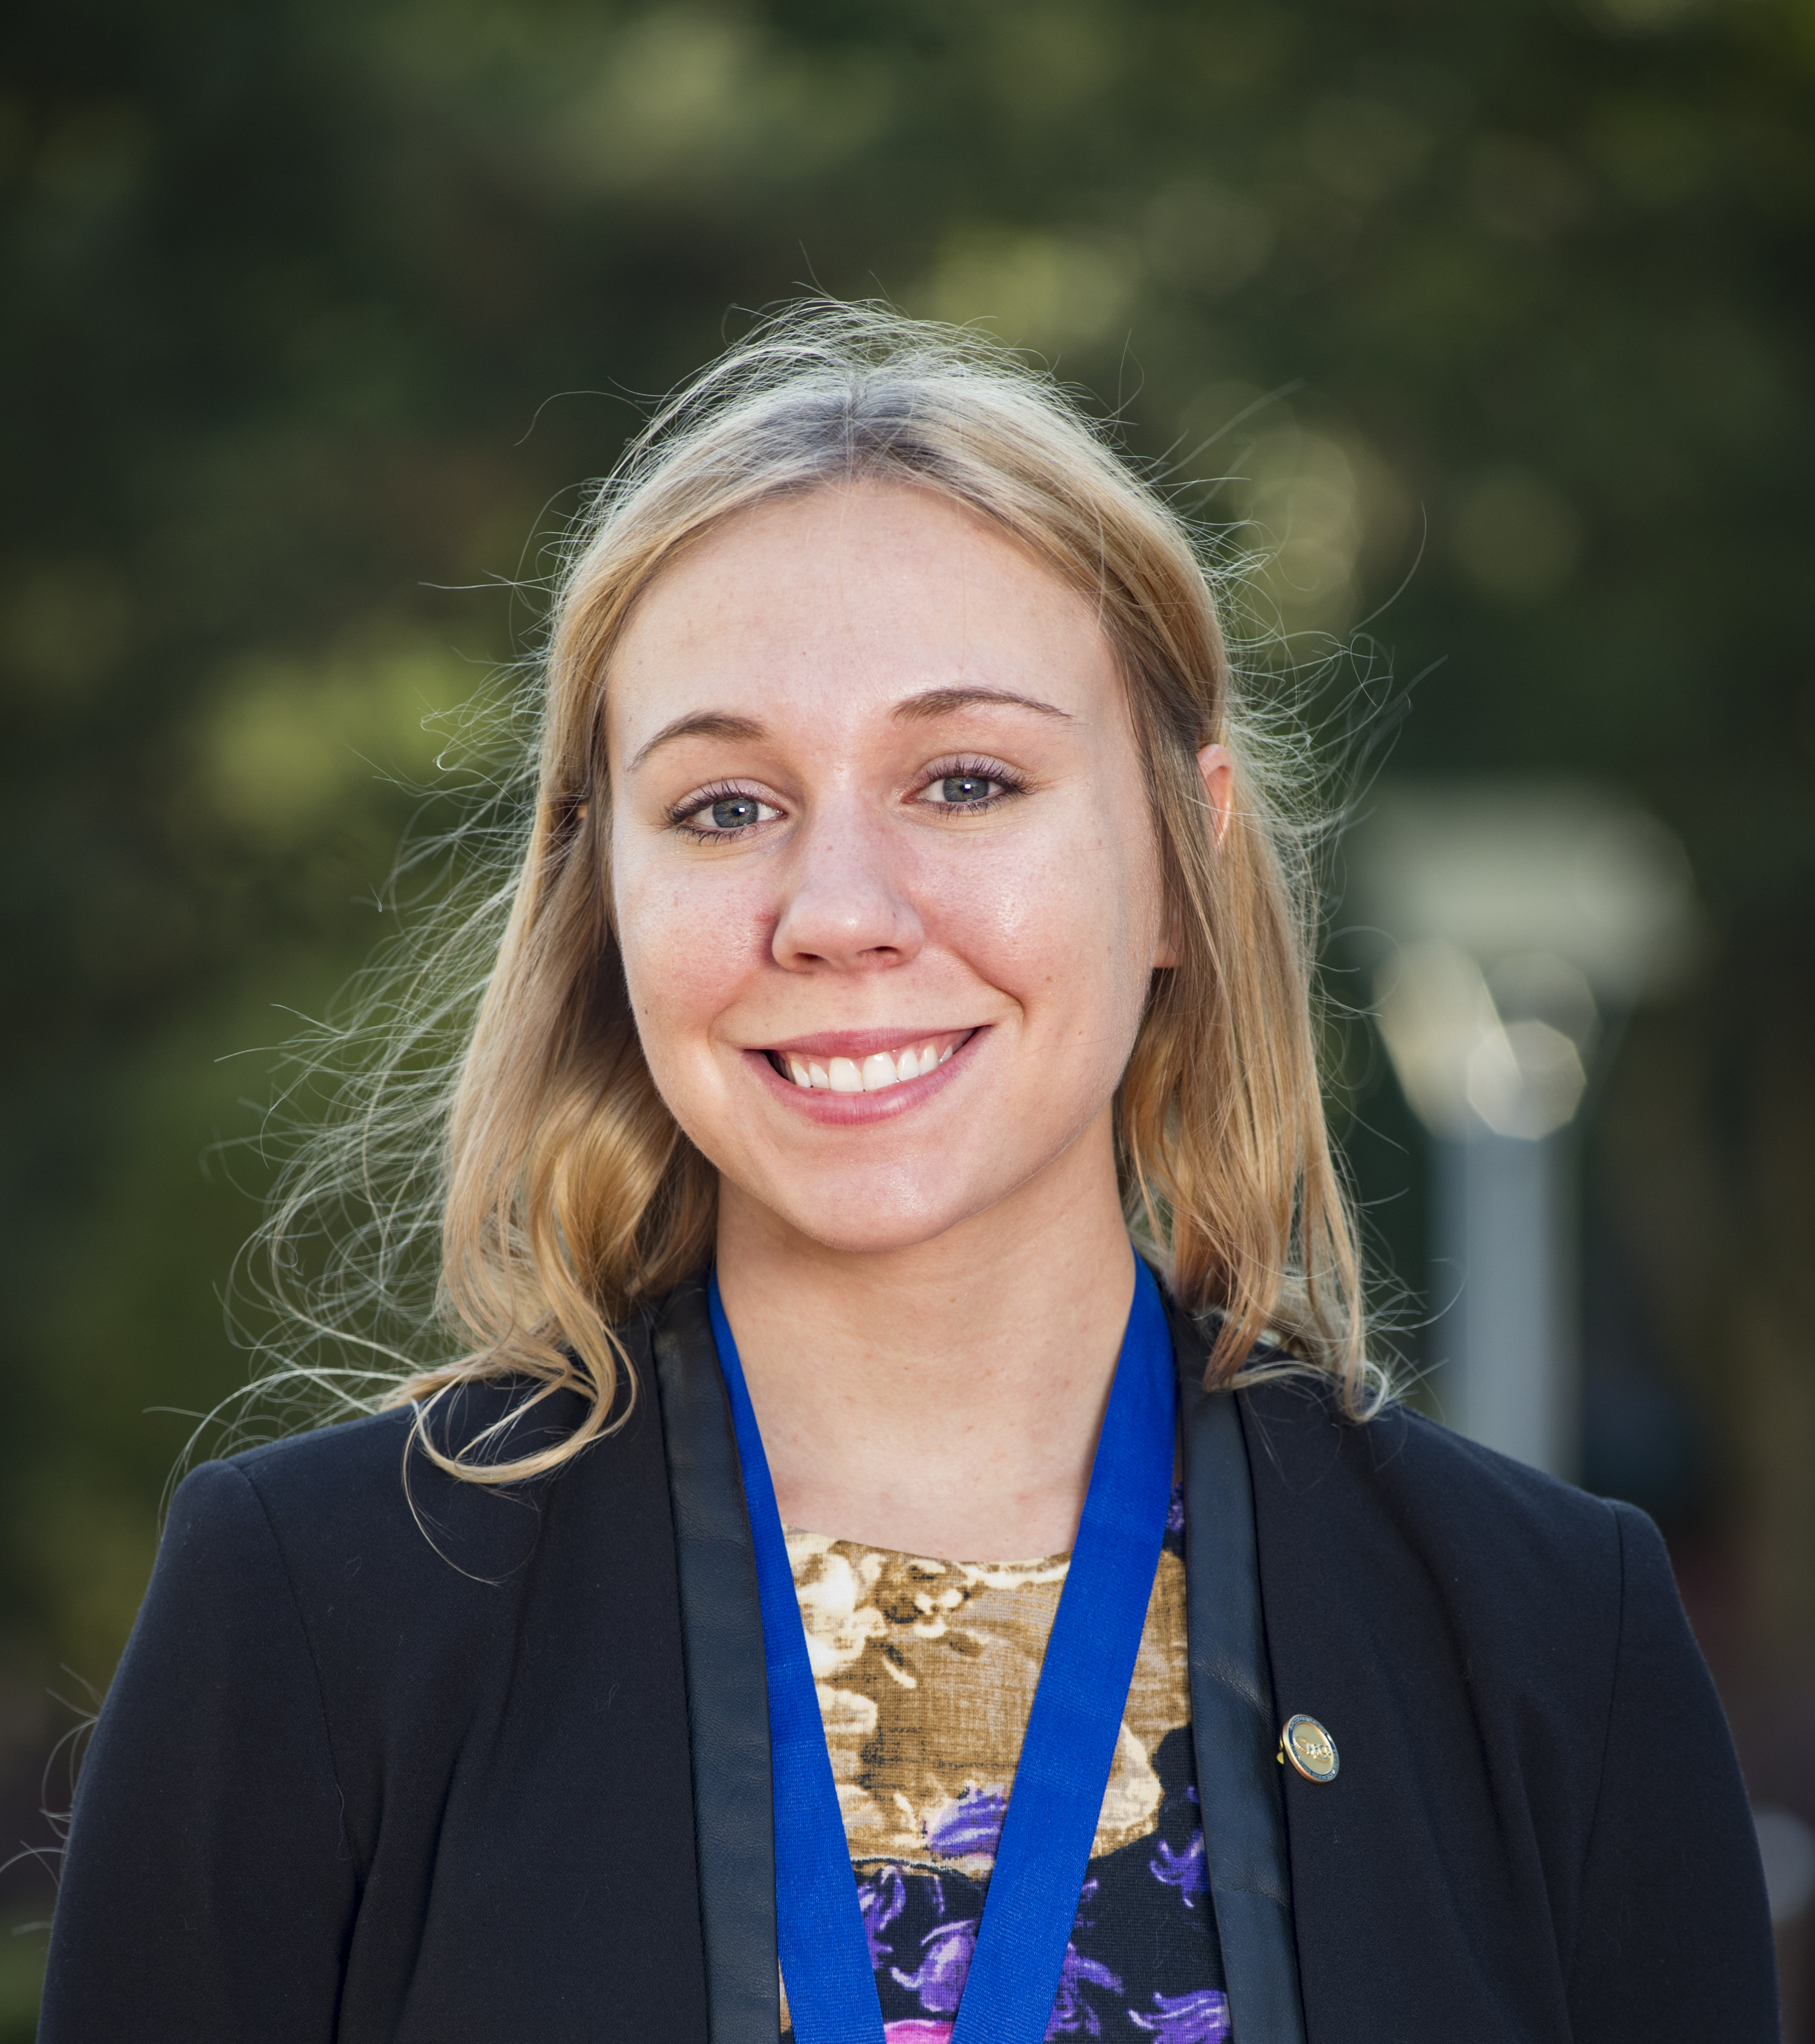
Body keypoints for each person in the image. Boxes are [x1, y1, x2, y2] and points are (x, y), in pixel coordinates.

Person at [39, 306, 1777, 2044]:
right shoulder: (320, 1608)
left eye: (965, 780)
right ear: (603, 896)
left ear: (1180, 856)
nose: (840, 909)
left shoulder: (1556, 1640)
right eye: (725, 806)